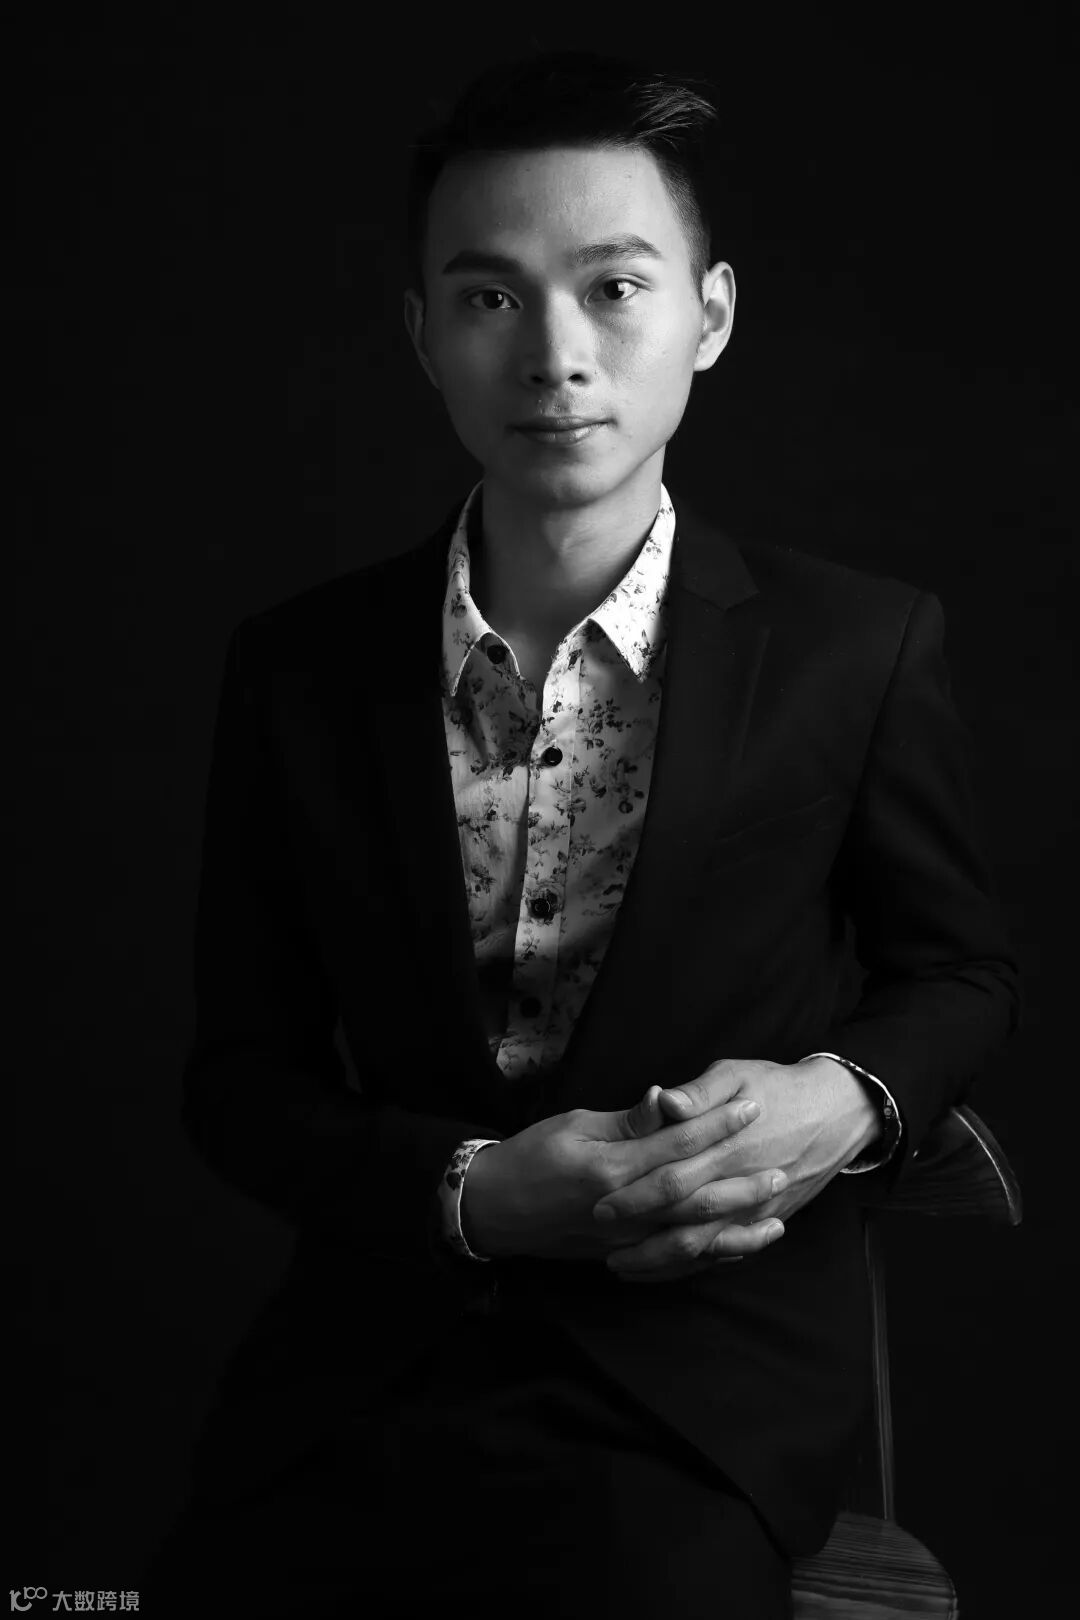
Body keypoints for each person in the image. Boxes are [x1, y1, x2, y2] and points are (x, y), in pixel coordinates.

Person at [140, 47, 1019, 1620]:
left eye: (615, 288)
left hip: (701, 1382)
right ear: (423, 336)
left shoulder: (856, 648)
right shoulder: (298, 671)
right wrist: (470, 1192)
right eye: (488, 297)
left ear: (711, 315)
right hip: (374, 1359)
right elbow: (238, 1082)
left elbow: (960, 976)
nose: (555, 356)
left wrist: (845, 1099)